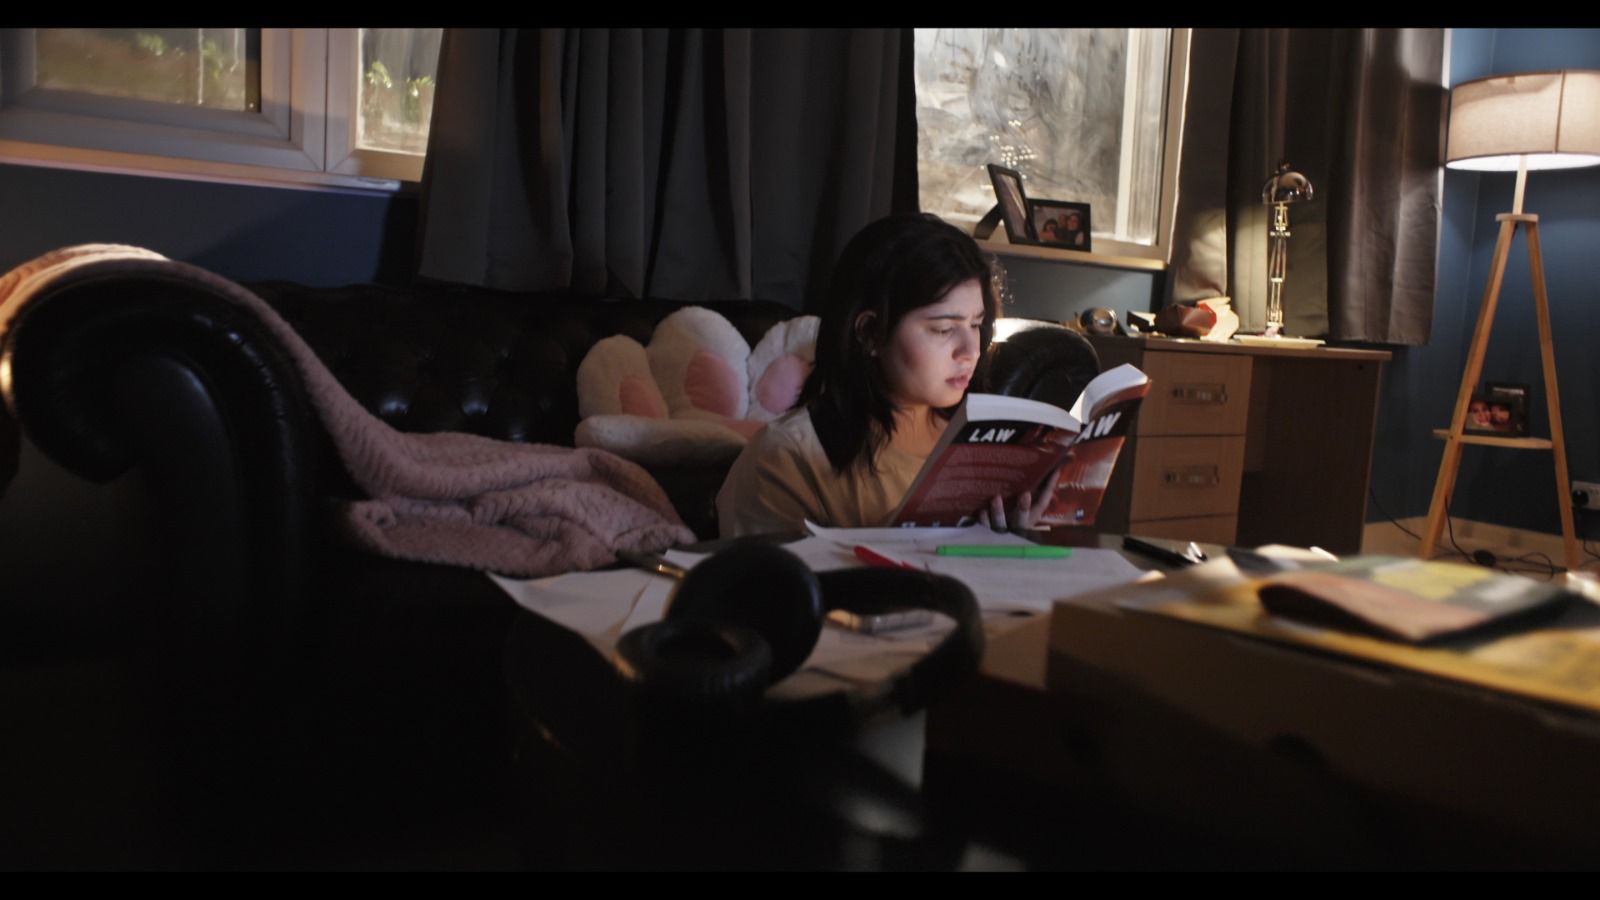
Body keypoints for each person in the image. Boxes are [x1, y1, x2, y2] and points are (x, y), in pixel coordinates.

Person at [716, 213, 1059, 538]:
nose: (971, 350)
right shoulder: (786, 458)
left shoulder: (986, 445)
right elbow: (772, 579)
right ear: (870, 333)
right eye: (943, 329)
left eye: (976, 325)